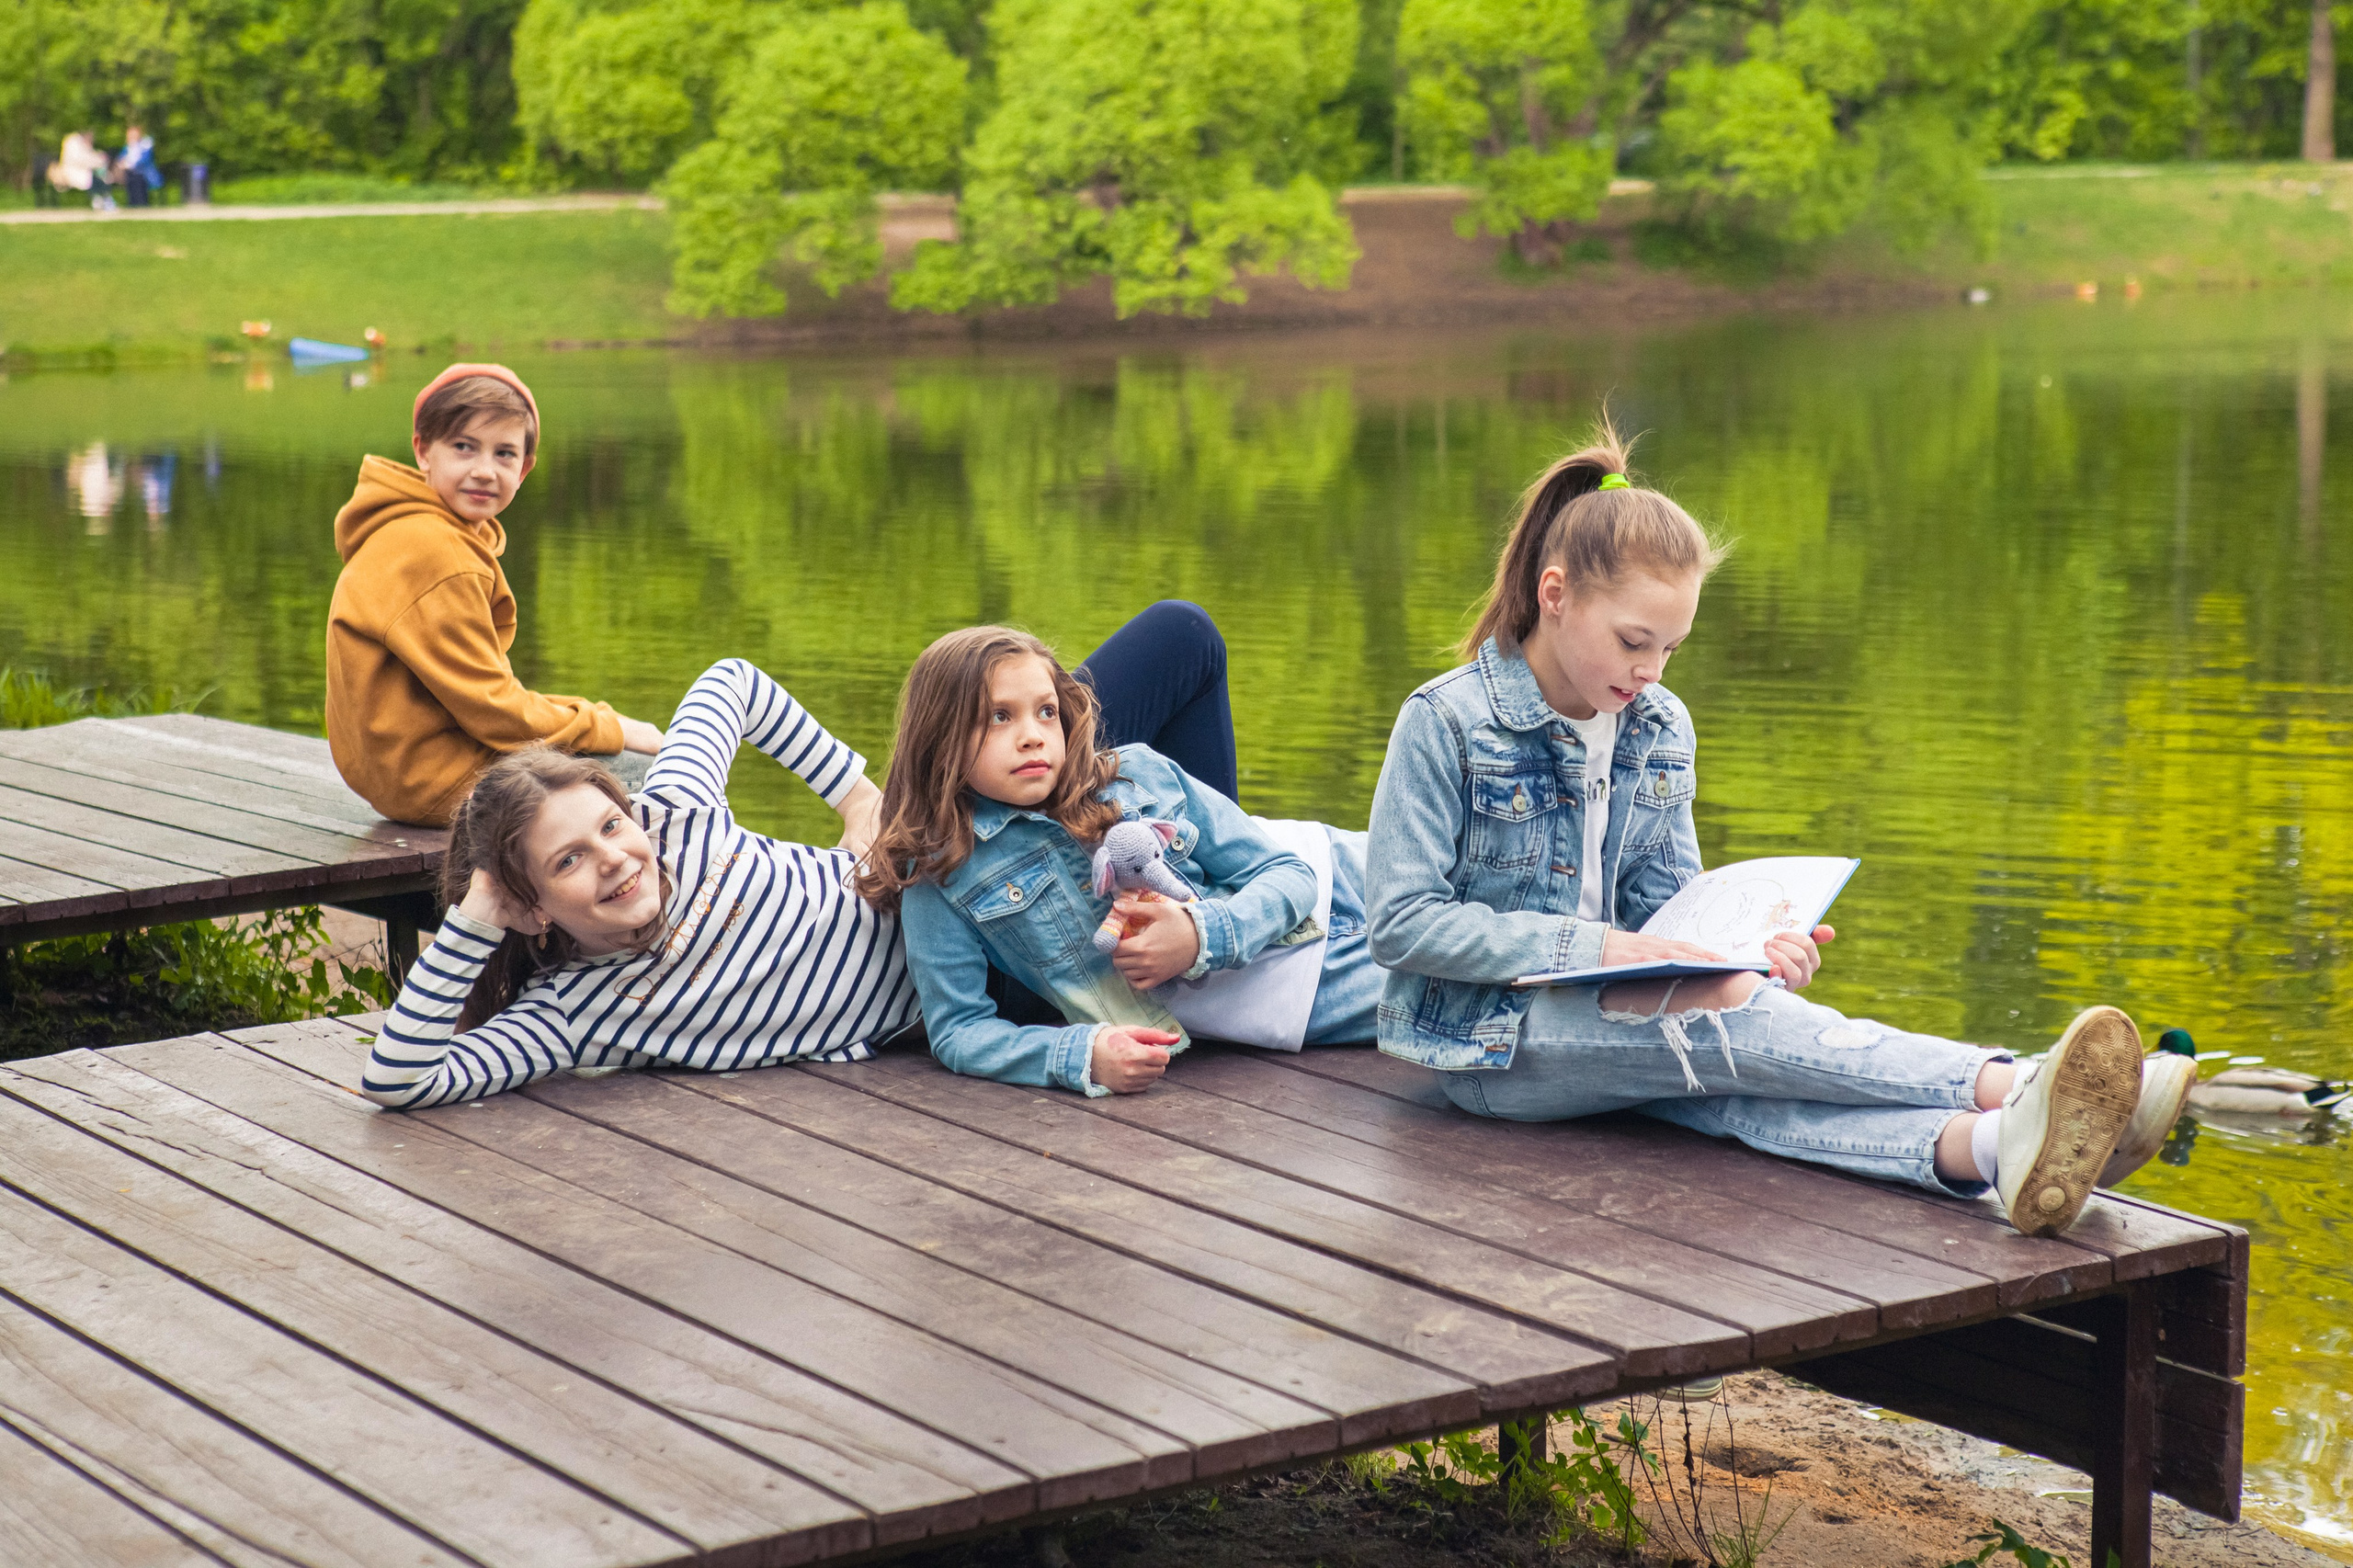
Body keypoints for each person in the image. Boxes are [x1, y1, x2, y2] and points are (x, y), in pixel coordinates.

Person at [1362, 419, 2188, 1237]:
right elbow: (1402, 927)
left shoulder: (1657, 724)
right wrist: (1602, 950)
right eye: (1633, 642)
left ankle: (1991, 1150)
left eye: (1673, 649)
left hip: (1629, 1009)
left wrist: (1751, 944)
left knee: (1734, 1064)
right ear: (1555, 595)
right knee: (1726, 1024)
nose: (1650, 672)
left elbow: (1666, 905)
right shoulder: (1447, 721)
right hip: (1486, 1047)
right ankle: (2016, 1083)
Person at [359, 603, 1243, 1108]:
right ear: (534, 908)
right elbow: (398, 1078)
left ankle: (1206, 881)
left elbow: (732, 680)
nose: (617, 861)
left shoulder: (677, 817)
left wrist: (859, 796)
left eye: (611, 828)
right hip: (990, 981)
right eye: (567, 864)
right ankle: (1213, 932)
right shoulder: (576, 1016)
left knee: (1181, 637)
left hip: (955, 851)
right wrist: (478, 915)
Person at [858, 626, 1380, 1097]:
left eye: (1046, 711)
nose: (1033, 734)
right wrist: (1081, 1054)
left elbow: (1290, 875)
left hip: (1343, 873)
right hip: (1308, 994)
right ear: (939, 739)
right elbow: (959, 1030)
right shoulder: (942, 874)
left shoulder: (1138, 774)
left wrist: (1200, 936)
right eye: (999, 717)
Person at [325, 364, 672, 825]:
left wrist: (594, 718)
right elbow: (497, 711)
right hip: (438, 781)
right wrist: (611, 727)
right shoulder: (436, 551)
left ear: (524, 468)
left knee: (620, 764)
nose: (484, 471)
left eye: (504, 454)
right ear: (424, 451)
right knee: (655, 778)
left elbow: (482, 695)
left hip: (406, 773)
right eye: (464, 447)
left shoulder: (415, 529)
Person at [49, 131, 115, 211]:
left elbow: (87, 158)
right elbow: (82, 159)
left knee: (99, 175)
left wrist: (99, 160)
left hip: (79, 172)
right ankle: (103, 199)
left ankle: (101, 199)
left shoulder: (77, 144)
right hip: (73, 174)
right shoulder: (74, 143)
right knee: (95, 178)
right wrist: (99, 160)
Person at [118, 124, 161, 207]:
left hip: (144, 174)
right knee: (130, 177)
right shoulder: (128, 147)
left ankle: (140, 203)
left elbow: (145, 160)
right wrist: (123, 163)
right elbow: (121, 158)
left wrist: (131, 165)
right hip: (130, 173)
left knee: (136, 178)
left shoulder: (145, 146)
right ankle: (132, 203)